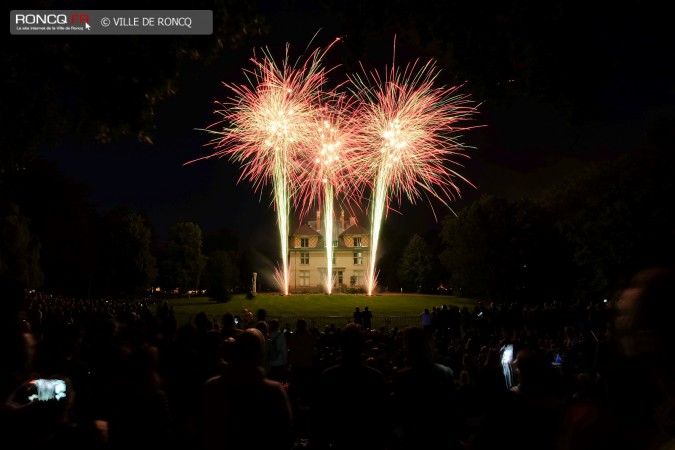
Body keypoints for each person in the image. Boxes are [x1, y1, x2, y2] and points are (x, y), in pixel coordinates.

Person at [202, 328, 294, 450]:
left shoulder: (211, 387)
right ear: (260, 354)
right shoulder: (274, 391)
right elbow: (286, 437)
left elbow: (204, 433)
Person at [310, 323, 392, 450]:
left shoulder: (327, 377)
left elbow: (318, 422)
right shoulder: (376, 378)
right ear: (363, 346)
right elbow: (385, 421)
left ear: (341, 345)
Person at [390, 325, 460, 449]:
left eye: (405, 345)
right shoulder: (446, 372)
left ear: (409, 348)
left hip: (415, 439)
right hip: (442, 437)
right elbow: (452, 409)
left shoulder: (403, 377)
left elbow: (399, 414)